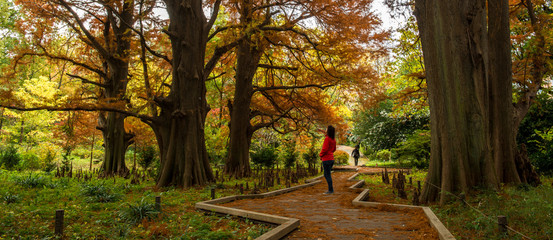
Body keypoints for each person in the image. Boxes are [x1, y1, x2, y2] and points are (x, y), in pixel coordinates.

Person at [320, 125, 336, 194]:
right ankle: (330, 189)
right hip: (331, 158)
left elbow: (325, 149)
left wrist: (320, 154)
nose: (325, 130)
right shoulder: (333, 139)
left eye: (326, 129)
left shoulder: (327, 139)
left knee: (327, 175)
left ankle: (330, 190)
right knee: (327, 174)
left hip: (326, 159)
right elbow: (334, 149)